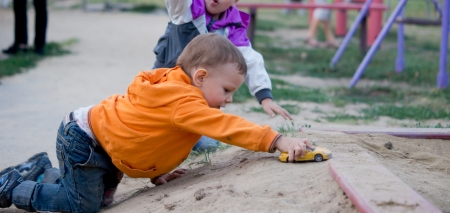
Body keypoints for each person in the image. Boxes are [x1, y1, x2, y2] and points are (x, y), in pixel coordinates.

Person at [0, 33, 312, 212]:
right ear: (200, 77)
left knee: (104, 199)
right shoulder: (185, 102)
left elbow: (149, 131)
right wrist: (277, 140)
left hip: (105, 146)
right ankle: (14, 186)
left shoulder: (178, 86)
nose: (228, 99)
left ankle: (41, 168)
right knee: (82, 206)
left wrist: (156, 172)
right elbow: (229, 128)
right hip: (85, 140)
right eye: (227, 90)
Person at [153, 0, 292, 152]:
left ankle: (191, 135)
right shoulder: (186, 7)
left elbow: (249, 59)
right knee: (155, 119)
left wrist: (264, 96)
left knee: (207, 142)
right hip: (167, 80)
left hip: (198, 91)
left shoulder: (232, 28)